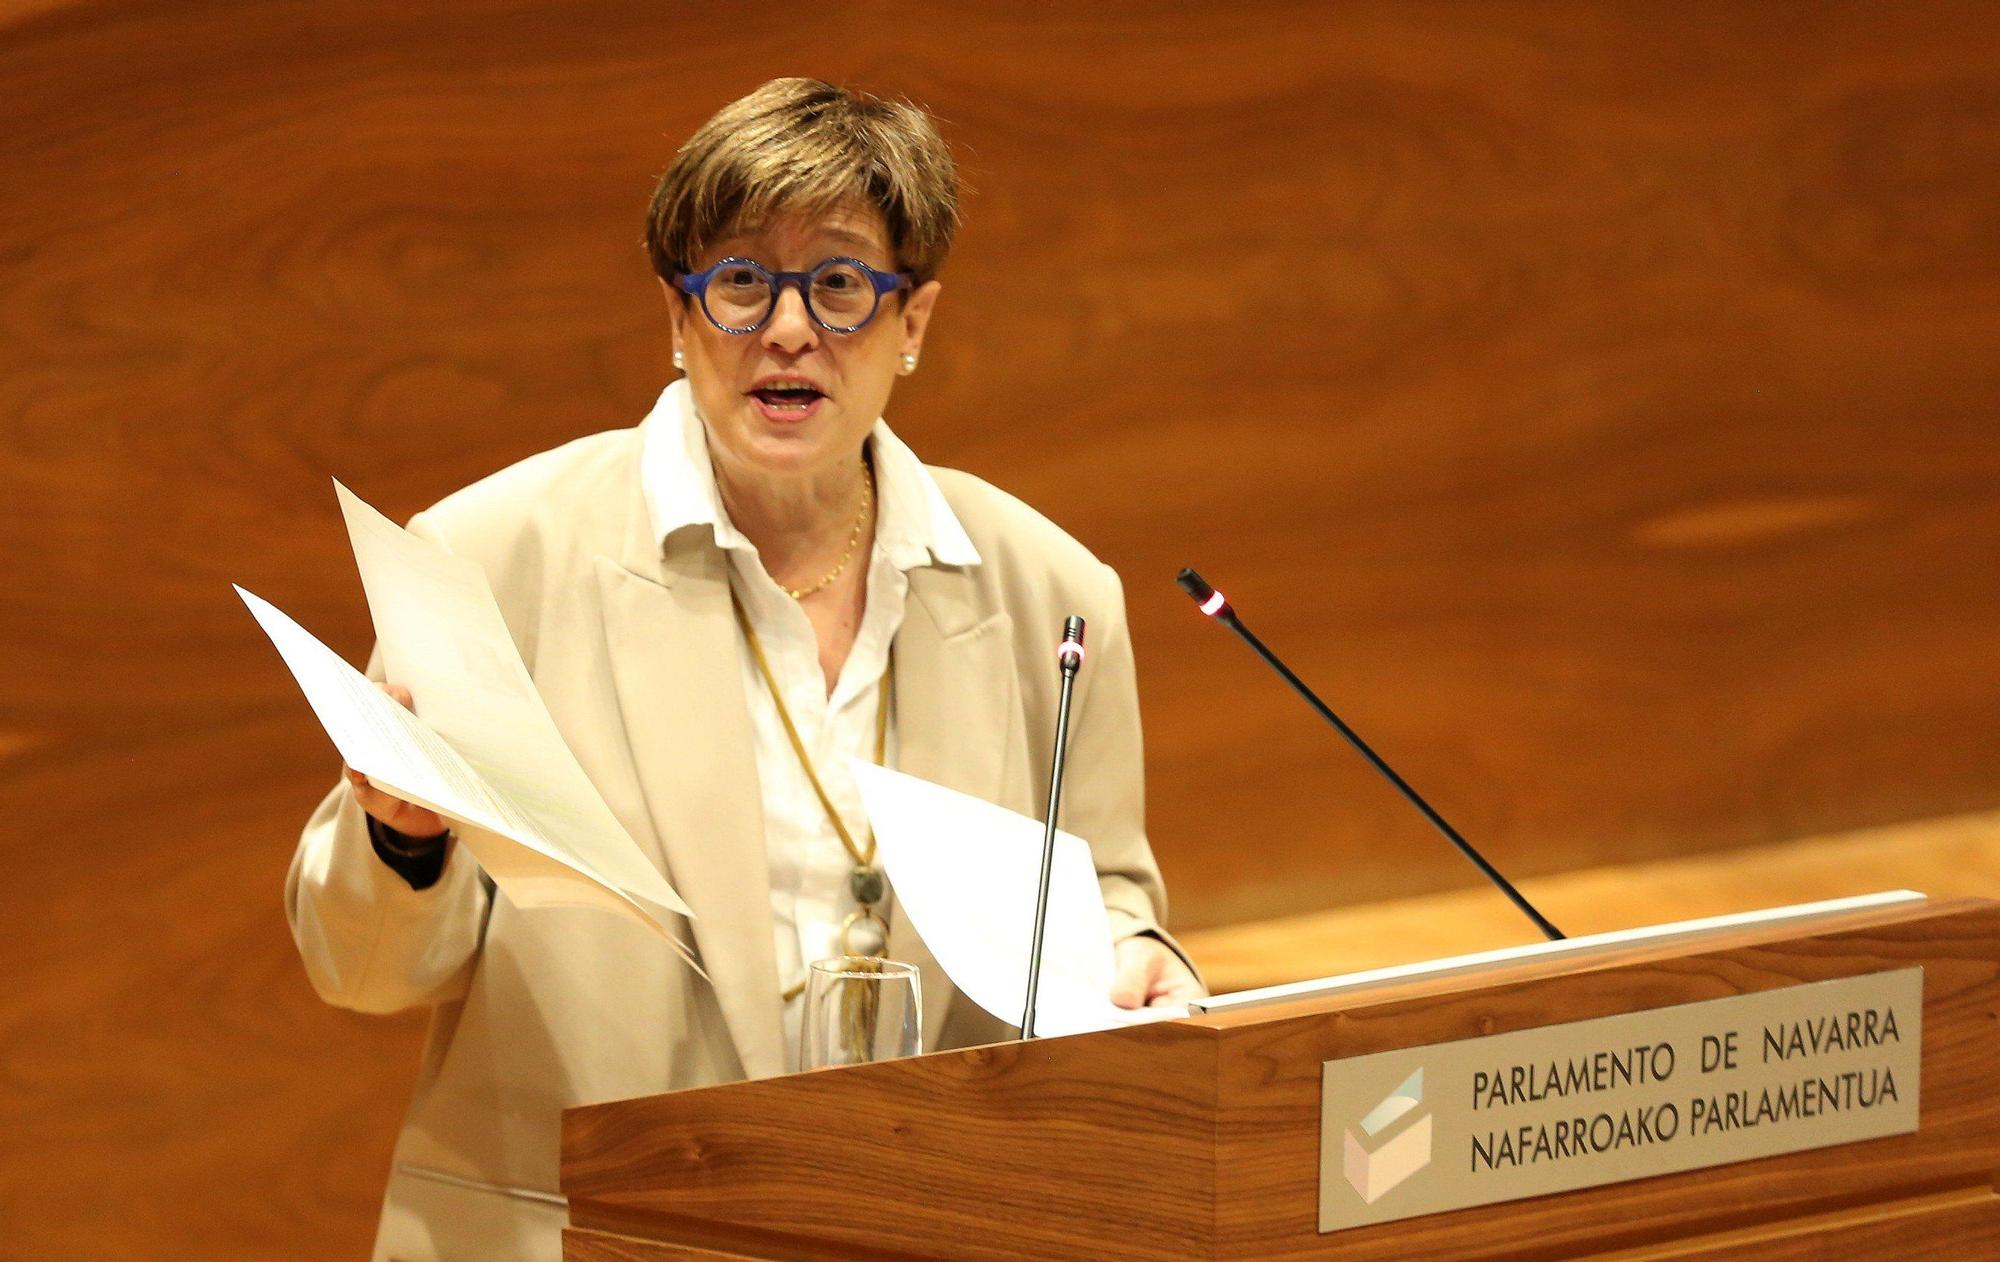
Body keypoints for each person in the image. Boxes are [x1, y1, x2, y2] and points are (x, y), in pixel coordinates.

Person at [286, 77, 1201, 1262]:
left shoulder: (1047, 591)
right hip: (587, 1231)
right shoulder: (490, 556)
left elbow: (1108, 901)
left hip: (919, 1223)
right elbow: (359, 969)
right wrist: (404, 841)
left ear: (913, 321)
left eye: (839, 283)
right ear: (676, 316)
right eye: (738, 282)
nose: (787, 330)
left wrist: (1135, 959)